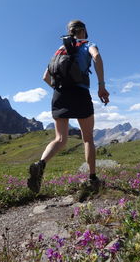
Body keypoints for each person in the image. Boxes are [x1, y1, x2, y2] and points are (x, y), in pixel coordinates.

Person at [27, 20, 110, 194]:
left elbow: (45, 77)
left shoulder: (59, 50)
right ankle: (92, 179)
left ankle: (40, 165)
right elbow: (96, 57)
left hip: (59, 95)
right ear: (84, 31)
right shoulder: (87, 44)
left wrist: (60, 91)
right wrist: (101, 85)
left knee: (60, 139)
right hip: (79, 93)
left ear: (70, 32)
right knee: (87, 138)